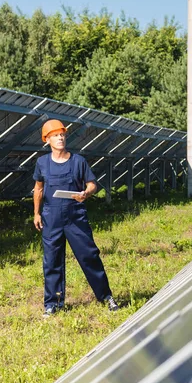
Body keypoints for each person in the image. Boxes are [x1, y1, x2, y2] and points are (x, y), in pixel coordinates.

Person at [33, 119, 119, 317]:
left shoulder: (78, 161)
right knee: (52, 261)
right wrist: (36, 213)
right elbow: (38, 188)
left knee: (89, 256)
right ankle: (52, 304)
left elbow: (92, 184)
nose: (60, 138)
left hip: (75, 217)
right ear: (47, 140)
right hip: (51, 218)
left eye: (62, 134)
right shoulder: (42, 163)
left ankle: (106, 296)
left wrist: (86, 194)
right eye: (55, 135)